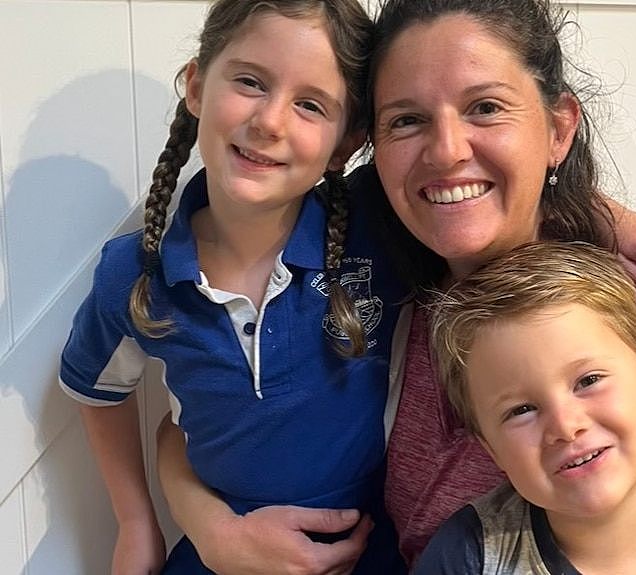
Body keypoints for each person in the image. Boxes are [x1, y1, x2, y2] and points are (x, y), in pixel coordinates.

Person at [156, 0, 636, 573]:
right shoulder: (373, 287)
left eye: (486, 107)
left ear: (558, 128)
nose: (446, 149)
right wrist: (212, 529)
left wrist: (591, 212)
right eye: (407, 119)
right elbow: (191, 417)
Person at [58, 1, 411, 573]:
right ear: (196, 86)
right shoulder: (134, 275)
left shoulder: (381, 225)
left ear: (346, 143)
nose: (270, 121)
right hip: (217, 555)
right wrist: (134, 519)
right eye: (250, 81)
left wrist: (614, 226)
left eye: (310, 105)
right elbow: (98, 392)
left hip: (367, 549)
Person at [415, 241, 636, 574]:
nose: (565, 426)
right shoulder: (465, 555)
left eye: (588, 381)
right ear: (491, 448)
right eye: (521, 410)